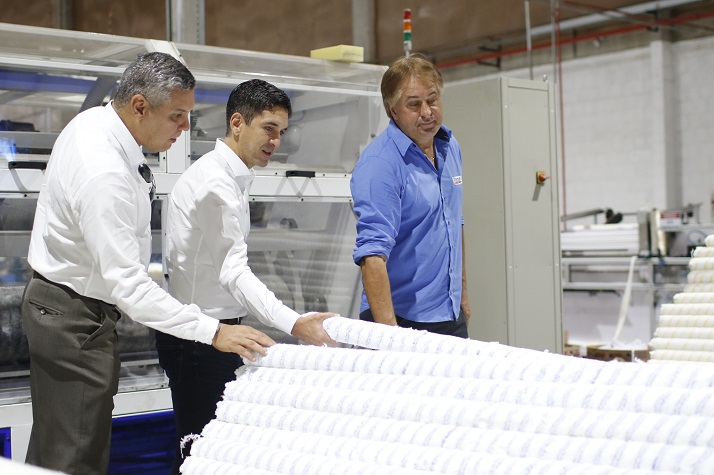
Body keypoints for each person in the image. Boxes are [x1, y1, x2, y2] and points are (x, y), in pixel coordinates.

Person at [21, 52, 275, 475]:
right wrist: (214, 331)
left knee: (57, 449)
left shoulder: (98, 125)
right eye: (176, 115)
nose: (185, 127)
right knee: (75, 457)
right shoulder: (103, 170)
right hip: (74, 319)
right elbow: (131, 288)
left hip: (68, 307)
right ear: (139, 105)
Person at [158, 78, 336, 473]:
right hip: (198, 341)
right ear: (237, 123)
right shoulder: (215, 183)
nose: (276, 141)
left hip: (215, 333)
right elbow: (233, 271)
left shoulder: (231, 176)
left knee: (217, 454)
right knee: (202, 457)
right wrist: (295, 323)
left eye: (281, 131)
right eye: (269, 128)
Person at [350, 53, 471, 338]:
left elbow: (455, 223)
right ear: (393, 110)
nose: (427, 112)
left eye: (432, 100)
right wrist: (390, 336)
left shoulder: (449, 146)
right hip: (399, 318)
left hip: (449, 312)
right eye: (414, 104)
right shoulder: (380, 164)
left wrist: (463, 297)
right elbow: (372, 254)